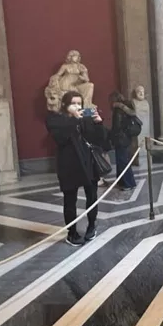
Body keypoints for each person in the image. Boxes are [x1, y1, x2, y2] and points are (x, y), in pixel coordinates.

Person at [46, 91, 110, 246]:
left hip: (88, 163)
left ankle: (91, 226)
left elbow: (101, 141)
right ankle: (72, 233)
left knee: (92, 197)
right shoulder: (55, 119)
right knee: (70, 201)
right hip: (69, 165)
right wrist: (74, 119)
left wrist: (98, 123)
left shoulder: (86, 119)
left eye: (79, 103)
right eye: (73, 103)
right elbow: (60, 138)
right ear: (65, 105)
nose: (77, 106)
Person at [108, 91, 140, 190]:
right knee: (122, 160)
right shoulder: (126, 107)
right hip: (127, 137)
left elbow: (117, 126)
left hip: (120, 138)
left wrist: (111, 136)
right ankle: (121, 181)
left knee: (123, 161)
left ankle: (129, 183)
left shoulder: (117, 110)